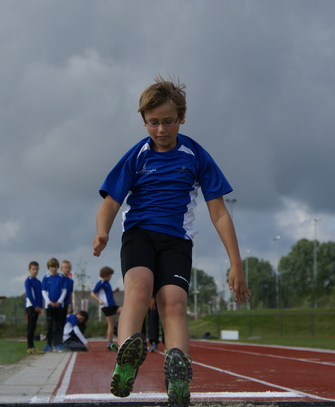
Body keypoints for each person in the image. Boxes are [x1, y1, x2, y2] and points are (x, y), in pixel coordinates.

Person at [92, 75, 250, 406]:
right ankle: (126, 358)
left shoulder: (195, 155)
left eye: (168, 122)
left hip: (177, 240)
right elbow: (110, 202)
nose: (161, 130)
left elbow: (219, 212)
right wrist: (103, 231)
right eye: (153, 123)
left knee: (174, 303)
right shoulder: (138, 155)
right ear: (144, 121)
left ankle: (177, 373)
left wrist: (236, 263)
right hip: (139, 233)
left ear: (181, 118)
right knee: (139, 289)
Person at [91, 266, 121, 350]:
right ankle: (110, 343)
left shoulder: (107, 283)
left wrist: (115, 291)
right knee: (110, 325)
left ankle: (117, 322)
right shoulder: (100, 283)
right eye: (110, 275)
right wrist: (99, 300)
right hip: (106, 306)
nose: (111, 277)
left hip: (112, 305)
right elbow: (92, 293)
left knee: (124, 311)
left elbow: (107, 293)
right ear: (105, 275)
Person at [42, 257, 66, 353]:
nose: (53, 268)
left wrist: (59, 302)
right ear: (49, 267)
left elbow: (64, 291)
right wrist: (49, 302)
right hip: (49, 306)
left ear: (57, 267)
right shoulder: (46, 278)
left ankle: (59, 344)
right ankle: (49, 344)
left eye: (55, 266)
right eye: (51, 267)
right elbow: (43, 291)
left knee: (58, 326)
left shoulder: (61, 278)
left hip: (59, 306)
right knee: (50, 326)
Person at [25, 261, 44, 355]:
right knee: (30, 327)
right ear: (29, 270)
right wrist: (35, 306)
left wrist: (41, 307)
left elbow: (40, 295)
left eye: (37, 269)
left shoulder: (38, 282)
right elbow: (29, 294)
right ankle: (30, 347)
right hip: (31, 306)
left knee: (33, 326)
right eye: (33, 269)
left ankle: (32, 346)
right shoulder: (28, 281)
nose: (35, 271)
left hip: (37, 307)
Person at [60, 260, 75, 332]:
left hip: (66, 302)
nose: (67, 269)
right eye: (65, 268)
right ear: (62, 269)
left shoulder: (70, 281)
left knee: (63, 321)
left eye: (69, 268)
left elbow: (71, 293)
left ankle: (62, 338)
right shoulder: (59, 279)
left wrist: (72, 305)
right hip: (59, 302)